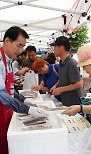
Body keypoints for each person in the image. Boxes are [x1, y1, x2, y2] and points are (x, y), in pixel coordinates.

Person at [0, 26, 47, 154]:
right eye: (19, 45)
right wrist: (27, 109)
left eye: (23, 47)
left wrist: (25, 100)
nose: (20, 51)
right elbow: (1, 94)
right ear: (7, 41)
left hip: (6, 114)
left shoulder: (9, 61)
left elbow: (10, 90)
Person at [50, 36, 84, 106]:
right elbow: (63, 78)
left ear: (61, 48)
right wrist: (56, 85)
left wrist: (61, 89)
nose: (54, 50)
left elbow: (79, 83)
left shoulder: (71, 63)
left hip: (74, 103)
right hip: (66, 101)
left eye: (55, 47)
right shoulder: (61, 62)